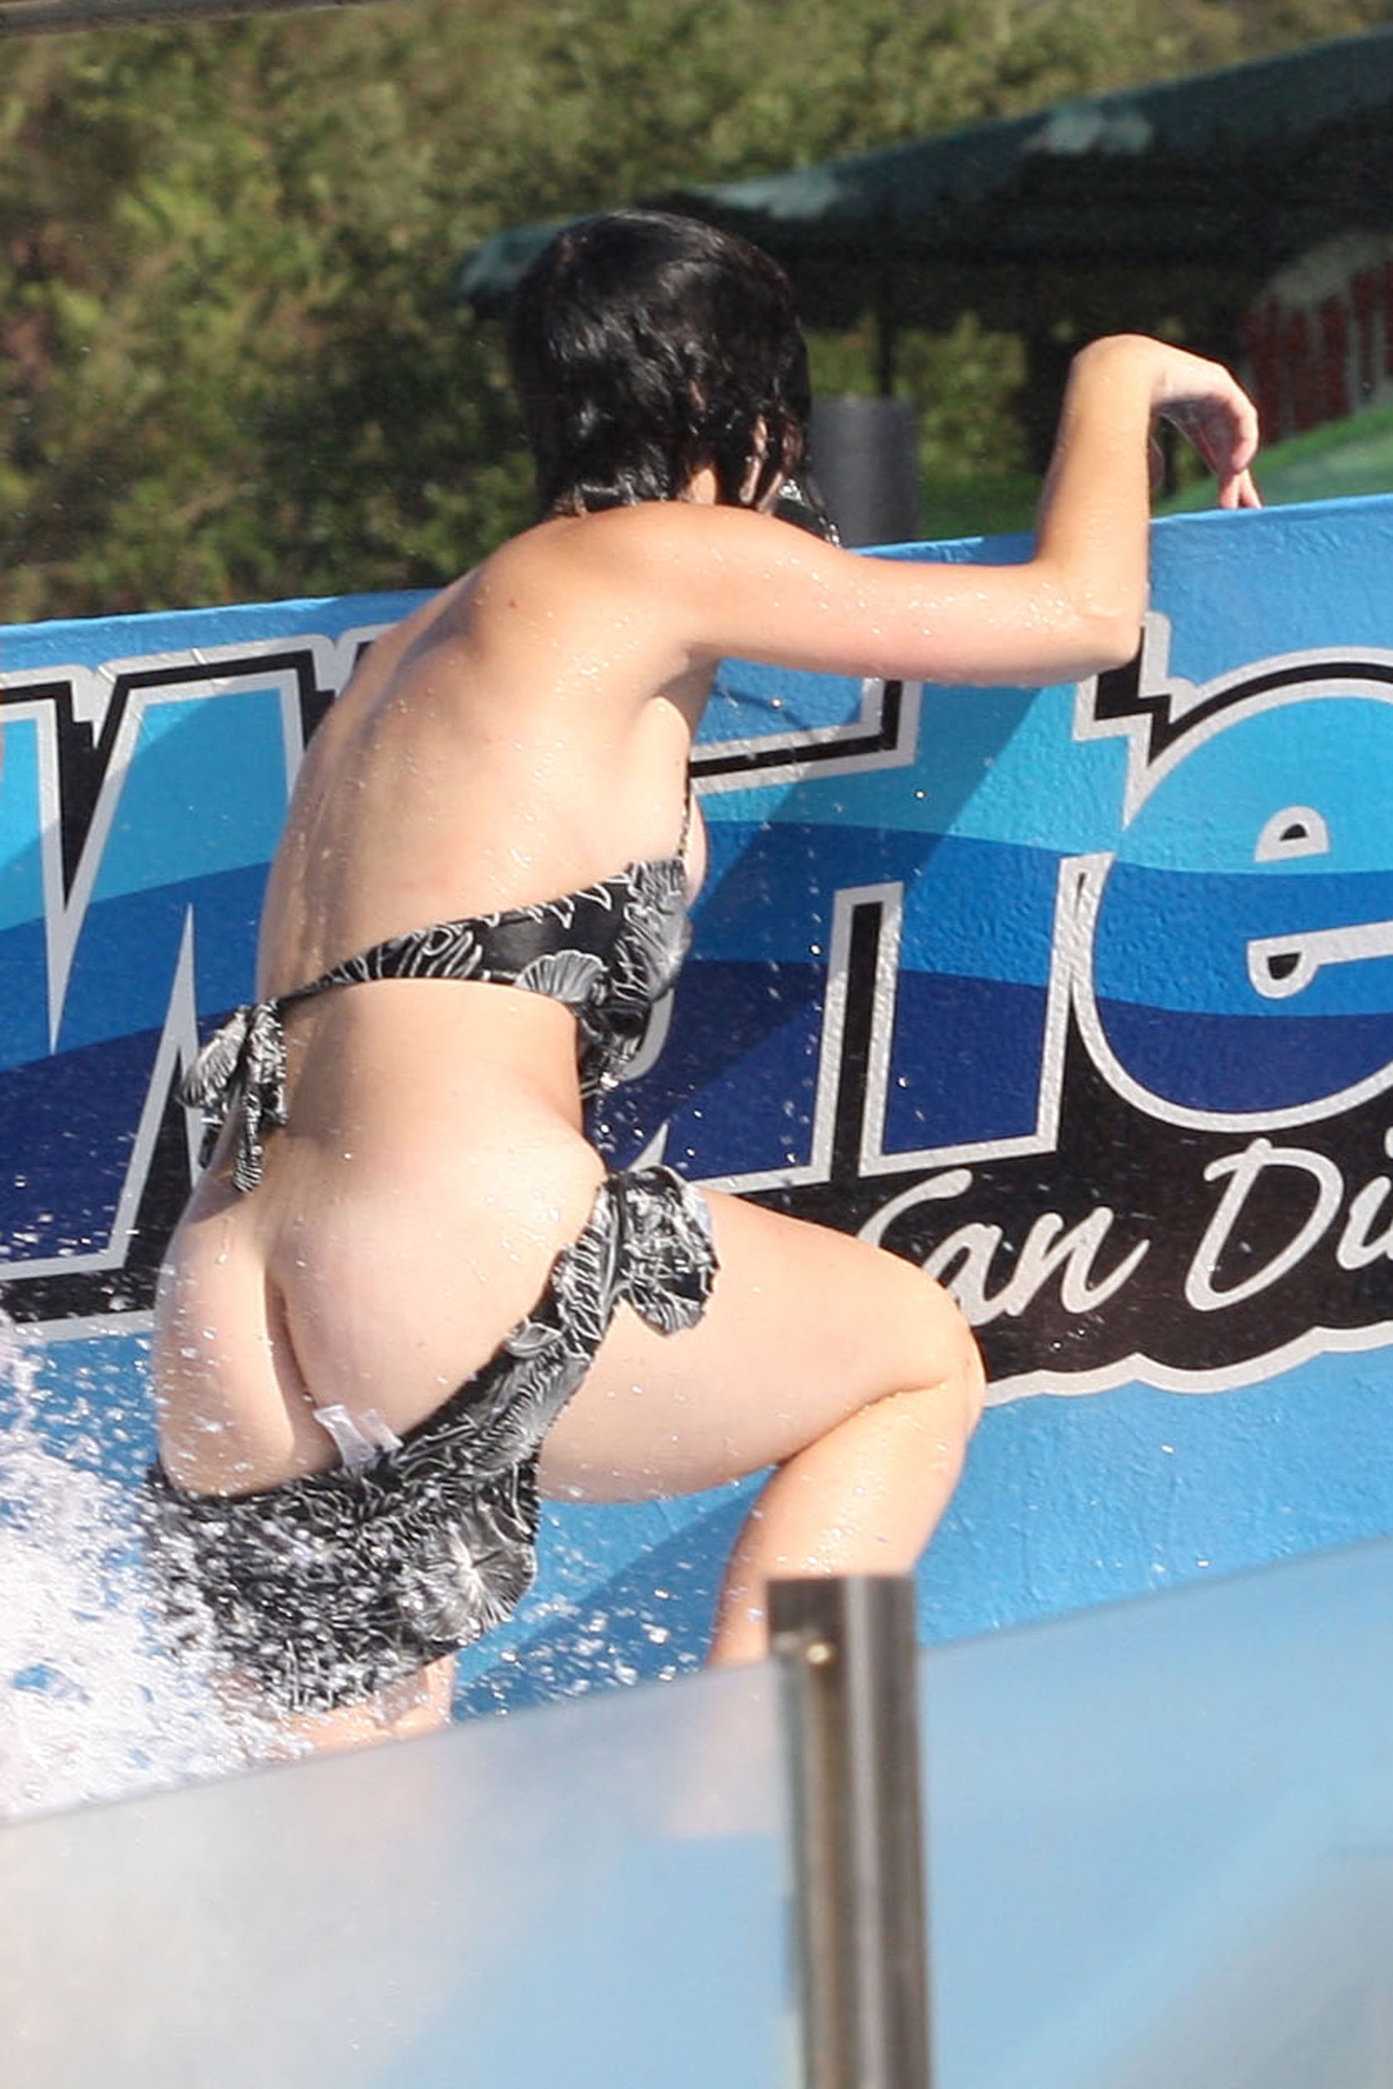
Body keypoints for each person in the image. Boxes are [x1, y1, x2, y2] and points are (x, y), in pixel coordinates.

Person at [145, 210, 1259, 1755]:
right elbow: (1078, 616)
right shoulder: (649, 555)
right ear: (730, 402)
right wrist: (1116, 372)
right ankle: (755, 1831)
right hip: (445, 1253)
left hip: (230, 1291)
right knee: (907, 1358)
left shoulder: (409, 648)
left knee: (348, 1862)